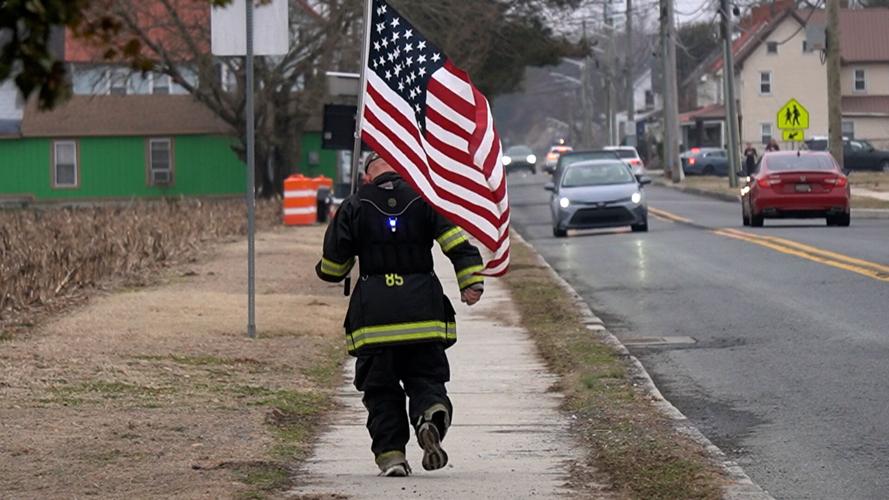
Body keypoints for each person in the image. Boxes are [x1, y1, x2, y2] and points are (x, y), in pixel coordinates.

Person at [316, 152, 485, 477]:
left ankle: (391, 456)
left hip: (374, 322)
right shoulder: (425, 200)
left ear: (367, 175)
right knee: (426, 379)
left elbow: (333, 267)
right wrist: (471, 282)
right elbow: (457, 244)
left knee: (381, 391)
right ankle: (429, 415)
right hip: (423, 315)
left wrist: (336, 258)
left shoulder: (354, 205)